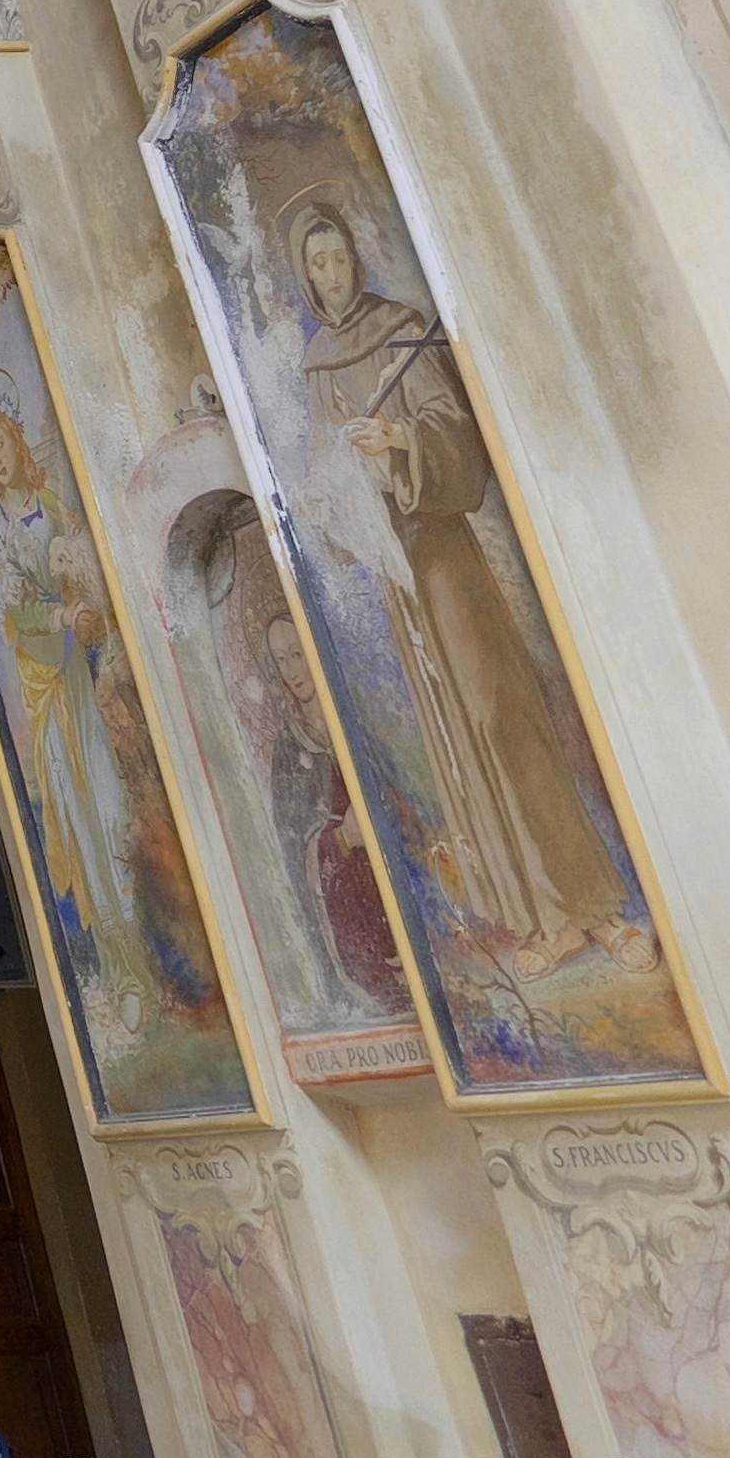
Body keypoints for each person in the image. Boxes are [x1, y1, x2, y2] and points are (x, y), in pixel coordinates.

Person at [281, 194, 652, 981]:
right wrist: (330, 489)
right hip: (397, 572)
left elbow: (457, 435)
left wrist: (399, 439)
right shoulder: (317, 365)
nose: (332, 272)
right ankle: (543, 918)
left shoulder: (402, 329)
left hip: (442, 551)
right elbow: (329, 472)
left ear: (354, 257)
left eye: (338, 255)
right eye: (317, 263)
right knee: (455, 737)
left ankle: (596, 906)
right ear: (306, 276)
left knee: (499, 712)